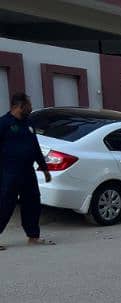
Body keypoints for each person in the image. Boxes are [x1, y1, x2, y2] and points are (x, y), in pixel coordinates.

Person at [0, 92, 54, 250]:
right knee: (4, 205)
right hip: (8, 172)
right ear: (18, 106)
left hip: (27, 172)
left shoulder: (28, 123)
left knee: (32, 203)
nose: (30, 108)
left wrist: (44, 169)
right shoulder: (3, 123)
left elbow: (35, 147)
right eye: (28, 105)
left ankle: (33, 237)